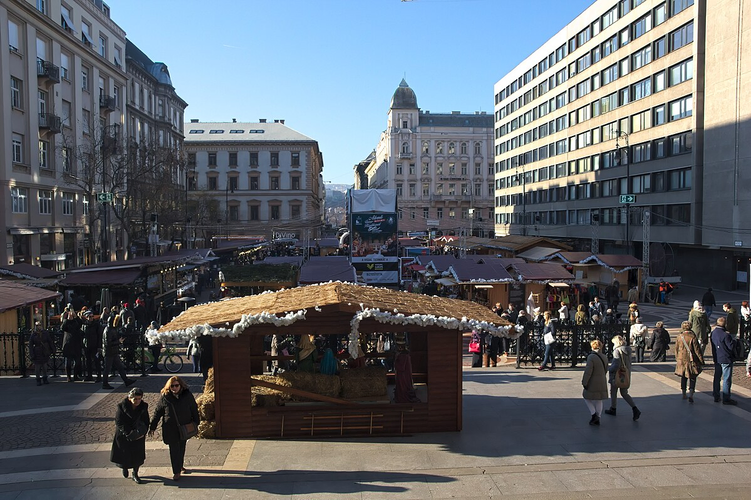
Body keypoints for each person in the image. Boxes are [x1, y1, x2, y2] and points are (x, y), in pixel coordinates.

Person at [148, 376, 200, 481]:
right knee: (174, 450)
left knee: (181, 447)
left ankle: (180, 465)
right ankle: (176, 471)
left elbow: (194, 408)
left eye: (176, 385)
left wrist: (196, 422)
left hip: (185, 426)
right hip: (170, 428)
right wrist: (152, 427)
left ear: (181, 385)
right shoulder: (165, 397)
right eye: (172, 386)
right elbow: (158, 412)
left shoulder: (187, 395)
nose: (174, 388)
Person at [111, 387, 149, 484]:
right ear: (130, 398)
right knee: (124, 454)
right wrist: (129, 433)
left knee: (137, 456)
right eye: (135, 399)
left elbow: (146, 420)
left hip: (138, 434)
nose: (137, 401)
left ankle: (135, 473)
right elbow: (119, 422)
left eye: (139, 399)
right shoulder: (122, 406)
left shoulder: (143, 407)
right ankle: (124, 467)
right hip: (124, 434)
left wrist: (142, 432)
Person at [604, 335, 641, 421]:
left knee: (613, 391)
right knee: (624, 393)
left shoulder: (617, 351)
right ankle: (634, 408)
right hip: (626, 374)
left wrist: (609, 369)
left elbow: (616, 364)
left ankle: (613, 408)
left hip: (616, 374)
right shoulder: (628, 350)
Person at [102, 312, 135, 390]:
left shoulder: (111, 329)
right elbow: (108, 343)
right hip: (109, 352)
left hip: (113, 351)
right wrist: (118, 341)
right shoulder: (108, 330)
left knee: (120, 367)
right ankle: (105, 383)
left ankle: (126, 380)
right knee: (107, 368)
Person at [675, 321, 703, 402]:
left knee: (683, 377)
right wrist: (701, 360)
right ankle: (691, 393)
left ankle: (683, 393)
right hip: (691, 360)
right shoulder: (693, 337)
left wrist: (677, 358)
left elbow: (676, 349)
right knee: (693, 376)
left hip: (681, 359)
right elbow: (697, 350)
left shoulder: (679, 336)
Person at [711, 317, 737, 405]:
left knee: (717, 377)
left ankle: (716, 395)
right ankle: (726, 398)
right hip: (726, 358)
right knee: (726, 379)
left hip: (717, 358)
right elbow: (731, 347)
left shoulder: (713, 333)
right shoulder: (726, 335)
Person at [582, 339, 608, 426]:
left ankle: (593, 415)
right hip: (602, 380)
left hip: (593, 381)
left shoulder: (591, 357)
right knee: (599, 399)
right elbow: (606, 369)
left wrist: (584, 382)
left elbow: (588, 371)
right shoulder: (604, 356)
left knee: (586, 397)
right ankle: (598, 416)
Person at [394, 334, 420, 403]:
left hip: (403, 375)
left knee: (403, 388)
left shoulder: (403, 355)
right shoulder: (406, 354)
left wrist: (396, 361)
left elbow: (401, 367)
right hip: (405, 374)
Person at [60, 308, 83, 382]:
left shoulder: (76, 321)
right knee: (68, 362)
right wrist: (67, 319)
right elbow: (62, 328)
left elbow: (80, 323)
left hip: (76, 344)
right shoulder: (66, 322)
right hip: (68, 344)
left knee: (77, 362)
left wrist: (75, 317)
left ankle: (76, 375)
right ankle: (68, 376)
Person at [82, 310, 102, 382]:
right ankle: (89, 375)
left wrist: (99, 346)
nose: (91, 318)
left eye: (92, 316)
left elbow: (99, 335)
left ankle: (98, 375)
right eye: (89, 317)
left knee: (96, 360)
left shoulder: (96, 325)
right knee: (88, 361)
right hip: (86, 345)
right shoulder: (84, 325)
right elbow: (82, 335)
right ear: (86, 317)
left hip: (94, 345)